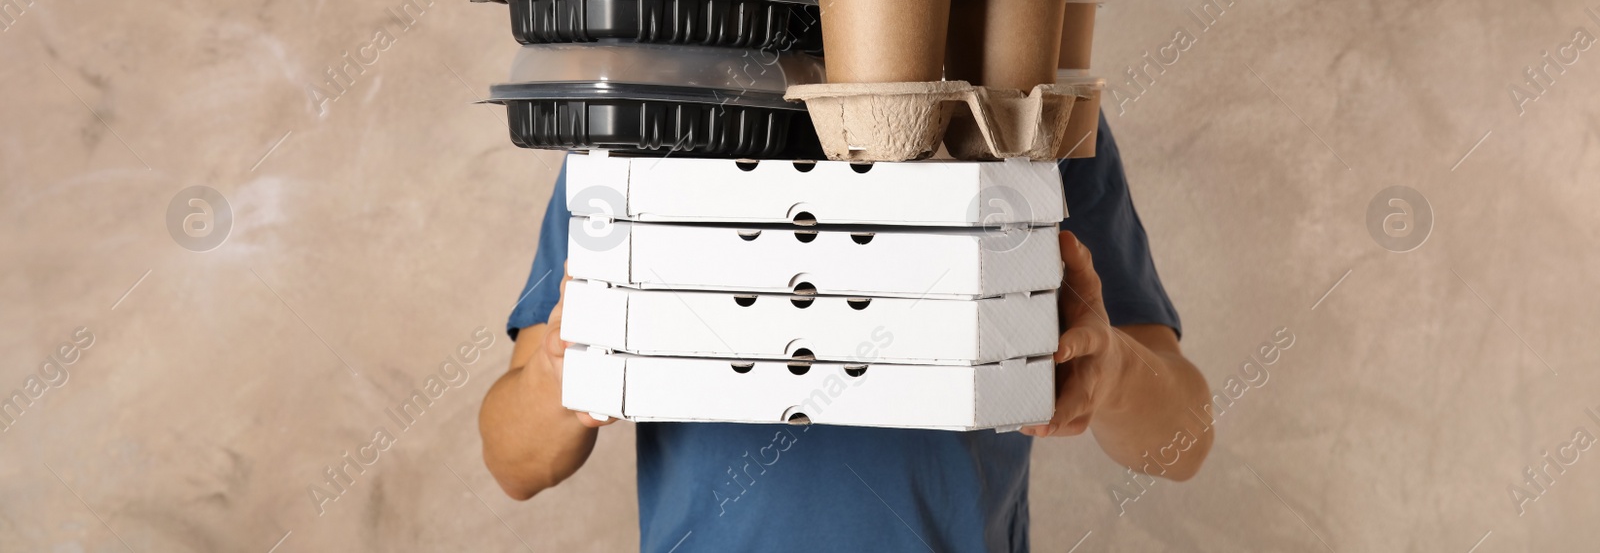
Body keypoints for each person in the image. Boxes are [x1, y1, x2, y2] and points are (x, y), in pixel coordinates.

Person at [478, 115, 1213, 551]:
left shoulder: (1020, 102)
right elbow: (516, 461)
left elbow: (1184, 437)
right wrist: (560, 366)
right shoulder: (639, 112)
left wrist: (1110, 371)